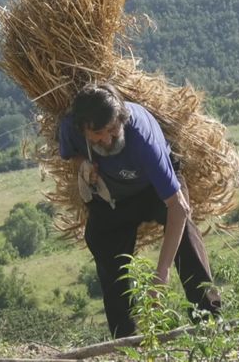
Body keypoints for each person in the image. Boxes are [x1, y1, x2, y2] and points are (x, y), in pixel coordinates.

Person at [58, 82, 221, 338]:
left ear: (121, 118)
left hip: (154, 189)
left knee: (185, 235)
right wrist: (84, 164)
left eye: (113, 129)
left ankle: (210, 322)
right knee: (101, 242)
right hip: (115, 195)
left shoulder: (142, 139)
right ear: (83, 130)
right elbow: (71, 155)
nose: (108, 139)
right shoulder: (70, 127)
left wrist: (162, 273)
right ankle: (126, 339)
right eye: (98, 135)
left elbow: (177, 206)